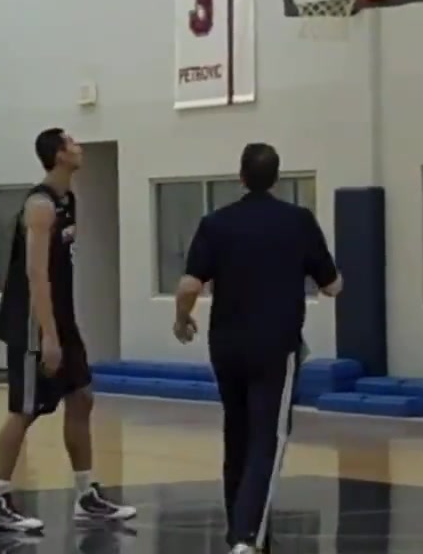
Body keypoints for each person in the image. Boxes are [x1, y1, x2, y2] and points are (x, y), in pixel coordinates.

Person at [173, 143, 342, 554]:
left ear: (241, 176)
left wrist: (182, 319)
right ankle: (247, 538)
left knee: (237, 432)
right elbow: (332, 286)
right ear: (277, 177)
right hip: (275, 346)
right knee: (267, 438)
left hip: (226, 345)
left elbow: (189, 285)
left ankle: (239, 527)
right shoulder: (298, 221)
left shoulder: (216, 223)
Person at [0, 128, 137, 532]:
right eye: (71, 143)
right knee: (24, 410)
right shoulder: (40, 205)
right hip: (32, 322)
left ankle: (86, 495)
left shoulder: (69, 199)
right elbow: (36, 274)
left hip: (61, 318)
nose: (78, 146)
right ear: (58, 154)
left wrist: (64, 327)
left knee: (82, 397)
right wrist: (49, 335)